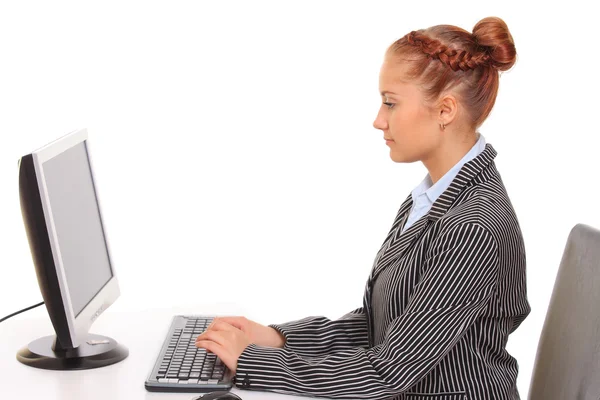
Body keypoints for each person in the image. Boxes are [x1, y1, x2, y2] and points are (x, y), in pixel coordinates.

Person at [195, 16, 531, 400]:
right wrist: (277, 338)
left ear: (445, 110)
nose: (378, 120)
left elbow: (389, 371)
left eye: (391, 103)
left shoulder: (472, 226)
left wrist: (253, 363)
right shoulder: (432, 198)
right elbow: (378, 325)